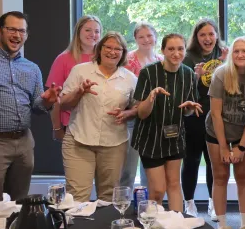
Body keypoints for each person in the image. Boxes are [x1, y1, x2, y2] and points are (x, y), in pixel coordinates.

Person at [0, 12, 61, 201]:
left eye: (22, 31)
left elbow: (36, 106)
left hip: (24, 143)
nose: (17, 35)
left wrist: (47, 101)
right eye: (11, 29)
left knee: (19, 203)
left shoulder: (32, 68)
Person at [60, 32, 137, 202]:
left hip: (114, 144)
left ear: (123, 53)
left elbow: (136, 108)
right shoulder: (80, 70)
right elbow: (63, 103)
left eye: (118, 49)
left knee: (109, 198)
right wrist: (79, 92)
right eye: (108, 47)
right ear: (99, 49)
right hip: (79, 141)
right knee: (77, 198)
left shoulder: (130, 78)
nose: (112, 52)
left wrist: (127, 113)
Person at [131, 33, 203, 211]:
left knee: (174, 184)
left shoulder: (188, 74)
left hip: (174, 137)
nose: (176, 53)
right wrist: (151, 98)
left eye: (180, 49)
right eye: (171, 49)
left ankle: (177, 227)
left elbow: (186, 112)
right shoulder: (148, 72)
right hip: (150, 138)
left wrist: (189, 108)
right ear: (162, 50)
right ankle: (153, 228)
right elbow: (141, 113)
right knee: (158, 190)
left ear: (185, 51)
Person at [206, 37, 245, 229]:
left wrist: (241, 146)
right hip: (217, 131)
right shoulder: (221, 74)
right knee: (220, 176)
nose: (240, 55)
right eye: (236, 51)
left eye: (244, 51)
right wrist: (223, 147)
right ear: (231, 54)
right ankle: (222, 225)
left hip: (244, 131)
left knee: (243, 176)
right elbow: (216, 113)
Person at [182, 19, 228, 217]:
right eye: (203, 35)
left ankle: (213, 201)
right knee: (191, 160)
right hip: (194, 116)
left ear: (217, 36)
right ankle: (189, 203)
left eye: (211, 34)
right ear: (196, 37)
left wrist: (227, 64)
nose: (207, 38)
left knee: (213, 161)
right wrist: (196, 76)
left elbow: (232, 84)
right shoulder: (188, 57)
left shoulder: (224, 55)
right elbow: (183, 88)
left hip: (217, 116)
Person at [119, 22, 162, 189]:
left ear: (155, 37)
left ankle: (150, 204)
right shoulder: (127, 60)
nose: (146, 40)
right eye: (141, 36)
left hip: (154, 120)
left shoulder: (161, 60)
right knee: (128, 168)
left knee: (150, 167)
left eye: (149, 35)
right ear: (135, 39)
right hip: (133, 118)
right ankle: (124, 205)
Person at [48, 15, 102, 142]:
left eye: (97, 31)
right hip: (72, 125)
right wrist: (56, 128)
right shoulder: (63, 59)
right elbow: (54, 98)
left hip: (100, 125)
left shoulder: (104, 59)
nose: (92, 34)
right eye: (88, 30)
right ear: (78, 32)